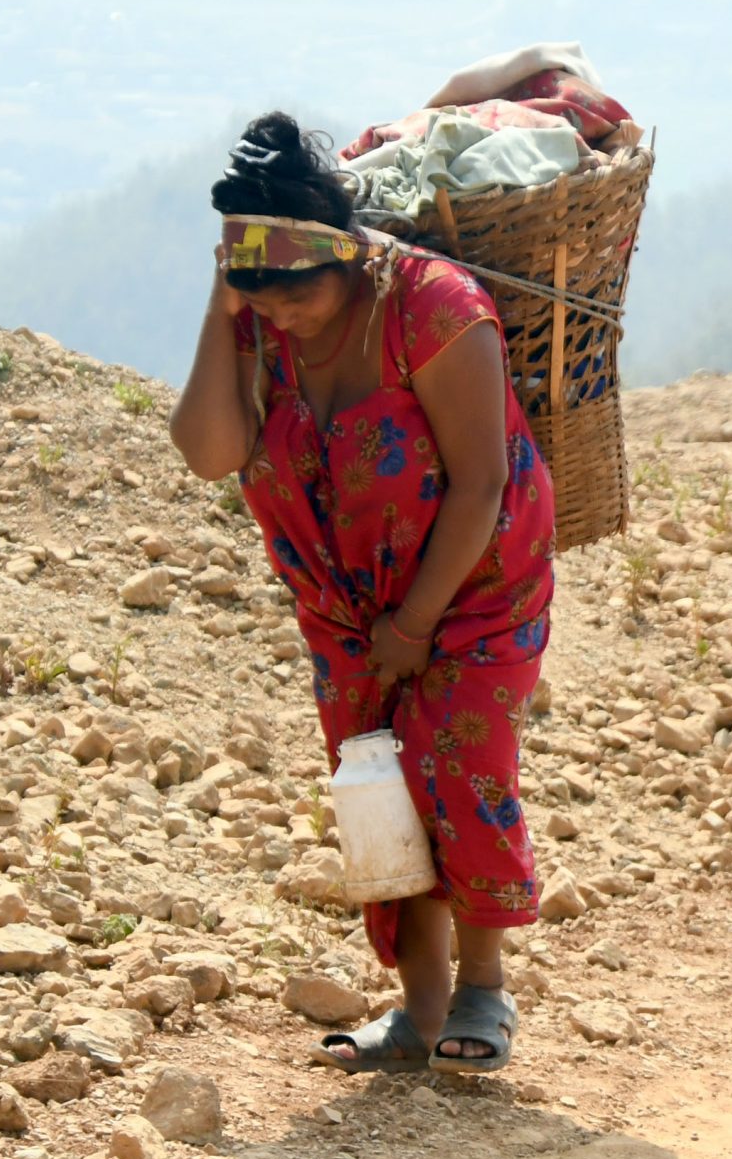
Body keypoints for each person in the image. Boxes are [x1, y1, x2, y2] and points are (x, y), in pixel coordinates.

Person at [168, 112, 555, 1074]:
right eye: (262, 303)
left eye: (299, 297)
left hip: (474, 588)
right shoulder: (258, 317)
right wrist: (222, 309)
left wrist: (416, 622)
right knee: (379, 787)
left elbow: (482, 482)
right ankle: (419, 1011)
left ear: (346, 257)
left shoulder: (435, 309)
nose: (285, 320)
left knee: (458, 764)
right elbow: (210, 450)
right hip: (343, 605)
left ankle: (482, 990)